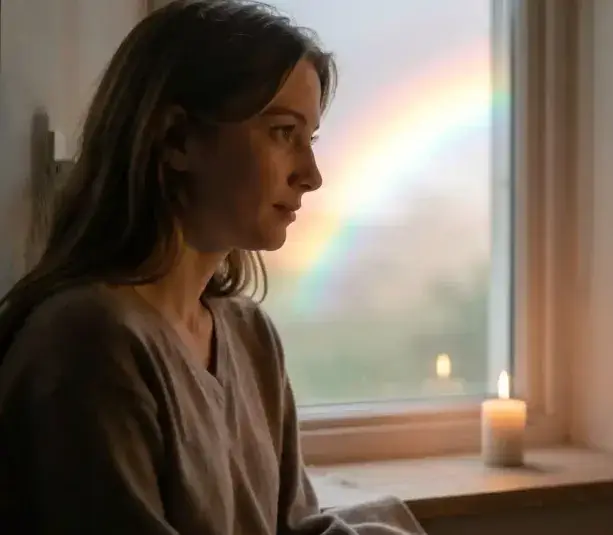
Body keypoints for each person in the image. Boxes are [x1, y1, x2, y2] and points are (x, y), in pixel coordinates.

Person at [0, 1, 426, 534]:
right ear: (177, 139)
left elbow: (289, 526)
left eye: (309, 139)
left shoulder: (250, 338)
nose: (311, 176)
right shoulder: (87, 346)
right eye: (282, 133)